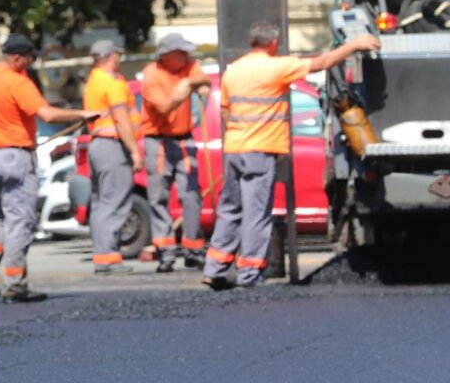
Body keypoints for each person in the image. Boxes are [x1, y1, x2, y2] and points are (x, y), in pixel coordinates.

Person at [203, 22, 379, 290]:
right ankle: (249, 273)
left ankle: (214, 268)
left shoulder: (234, 71)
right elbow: (323, 62)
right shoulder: (277, 67)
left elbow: (226, 112)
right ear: (273, 43)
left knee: (230, 208)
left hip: (234, 148)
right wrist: (355, 44)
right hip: (260, 149)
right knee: (256, 213)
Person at [0, 34, 104, 303]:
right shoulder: (17, 82)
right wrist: (82, 114)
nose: (31, 65)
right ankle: (15, 284)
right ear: (18, 58)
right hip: (15, 157)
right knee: (21, 220)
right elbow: (47, 114)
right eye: (30, 59)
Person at [139, 33, 211, 272]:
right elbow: (165, 105)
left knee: (191, 195)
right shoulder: (151, 76)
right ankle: (165, 251)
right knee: (159, 197)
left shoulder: (189, 65)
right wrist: (189, 85)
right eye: (181, 52)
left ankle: (193, 249)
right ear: (167, 56)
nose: (187, 56)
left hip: (184, 140)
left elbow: (203, 79)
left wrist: (197, 85)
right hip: (158, 142)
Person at [82, 39, 144, 276]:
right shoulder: (113, 83)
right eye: (117, 54)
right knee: (115, 202)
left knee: (101, 203)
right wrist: (135, 151)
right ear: (110, 56)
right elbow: (121, 119)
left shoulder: (93, 81)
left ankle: (103, 255)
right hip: (113, 147)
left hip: (98, 146)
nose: (119, 59)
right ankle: (109, 258)